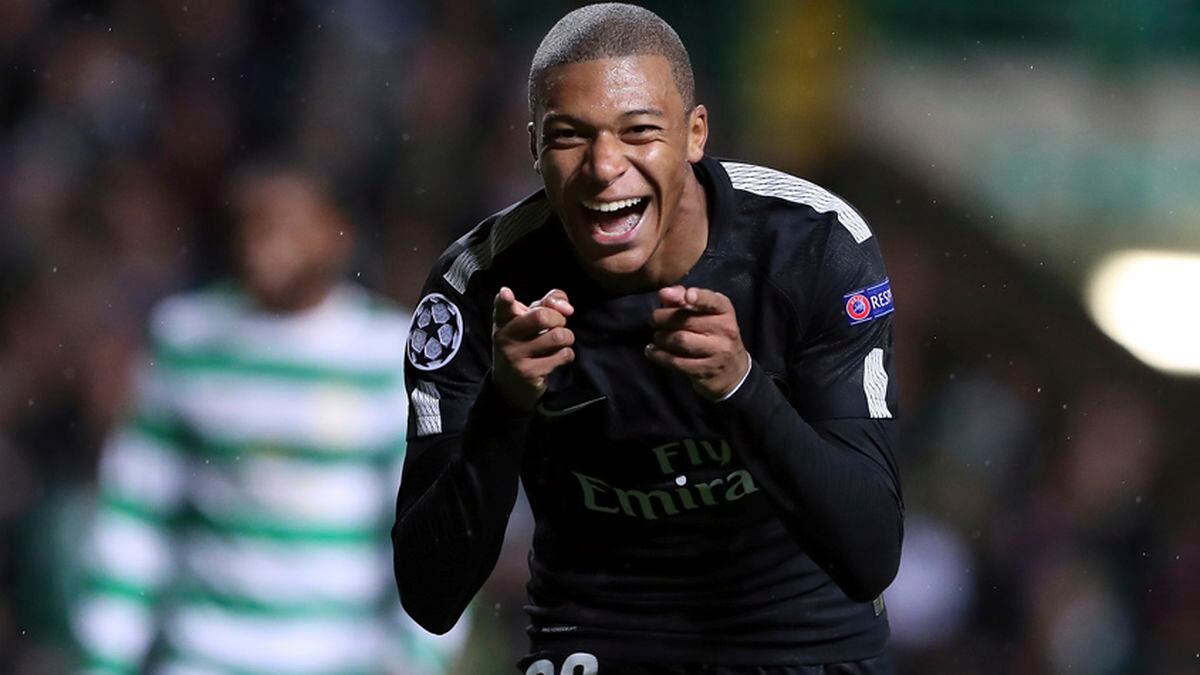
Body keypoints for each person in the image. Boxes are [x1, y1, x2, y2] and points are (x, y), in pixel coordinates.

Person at [393, 3, 902, 673]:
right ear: (534, 148)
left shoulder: (814, 246)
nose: (605, 166)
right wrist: (505, 405)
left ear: (695, 134)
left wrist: (743, 389)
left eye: (639, 131)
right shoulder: (478, 288)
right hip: (599, 632)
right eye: (570, 136)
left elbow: (870, 556)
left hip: (801, 637)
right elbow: (430, 595)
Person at [73, 163, 466, 674]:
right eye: (251, 226)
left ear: (337, 234)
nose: (262, 245)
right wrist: (105, 657)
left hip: (341, 660)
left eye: (287, 226)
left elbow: (432, 527)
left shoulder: (389, 355)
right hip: (203, 657)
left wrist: (417, 658)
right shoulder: (188, 340)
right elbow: (136, 508)